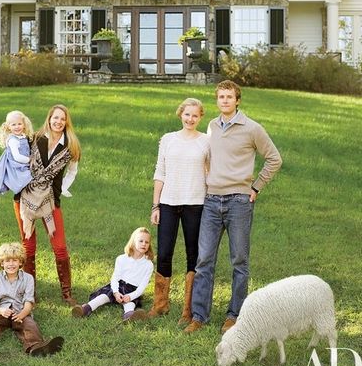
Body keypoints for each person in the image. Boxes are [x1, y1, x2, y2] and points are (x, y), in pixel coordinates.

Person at [184, 80, 282, 334]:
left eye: (229, 97)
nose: (224, 100)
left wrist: (256, 187)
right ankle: (198, 316)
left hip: (239, 201)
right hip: (212, 201)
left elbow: (274, 159)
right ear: (217, 101)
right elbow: (208, 159)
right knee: (204, 259)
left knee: (239, 260)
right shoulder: (212, 126)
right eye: (220, 97)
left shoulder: (252, 128)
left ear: (237, 100)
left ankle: (235, 315)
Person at [149, 98, 210, 324]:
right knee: (164, 253)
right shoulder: (168, 140)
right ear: (180, 114)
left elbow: (210, 172)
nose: (190, 119)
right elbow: (160, 171)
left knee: (194, 255)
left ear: (200, 117)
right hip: (168, 203)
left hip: (196, 204)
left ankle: (189, 310)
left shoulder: (206, 141)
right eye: (187, 114)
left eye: (195, 115)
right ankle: (160, 305)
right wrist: (156, 205)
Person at [13, 104, 81, 306]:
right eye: (55, 118)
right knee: (28, 246)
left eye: (62, 119)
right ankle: (30, 294)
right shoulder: (33, 139)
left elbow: (73, 171)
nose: (58, 122)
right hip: (25, 199)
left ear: (66, 122)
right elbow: (13, 156)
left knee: (59, 247)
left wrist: (61, 189)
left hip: (50, 201)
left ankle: (67, 294)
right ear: (49, 119)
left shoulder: (70, 146)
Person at [0, 242, 64, 357]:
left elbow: (29, 302)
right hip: (1, 312)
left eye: (15, 260)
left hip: (21, 312)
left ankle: (37, 348)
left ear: (21, 262)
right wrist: (1, 311)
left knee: (30, 326)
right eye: (7, 261)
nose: (11, 264)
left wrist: (22, 315)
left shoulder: (28, 279)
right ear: (2, 263)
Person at [71, 227, 154, 322]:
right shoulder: (122, 258)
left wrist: (130, 296)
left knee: (130, 304)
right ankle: (84, 309)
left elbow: (142, 287)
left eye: (146, 242)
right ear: (133, 242)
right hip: (118, 286)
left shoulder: (148, 264)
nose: (144, 244)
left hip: (132, 290)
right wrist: (115, 292)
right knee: (102, 297)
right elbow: (115, 278)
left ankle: (129, 316)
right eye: (141, 241)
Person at [0, 110, 34, 197]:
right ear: (8, 127)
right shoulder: (13, 140)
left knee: (27, 186)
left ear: (24, 124)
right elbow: (17, 157)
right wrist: (30, 159)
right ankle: (21, 201)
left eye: (19, 124)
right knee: (27, 180)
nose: (17, 127)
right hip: (17, 166)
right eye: (13, 124)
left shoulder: (22, 136)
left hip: (23, 164)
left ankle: (23, 199)